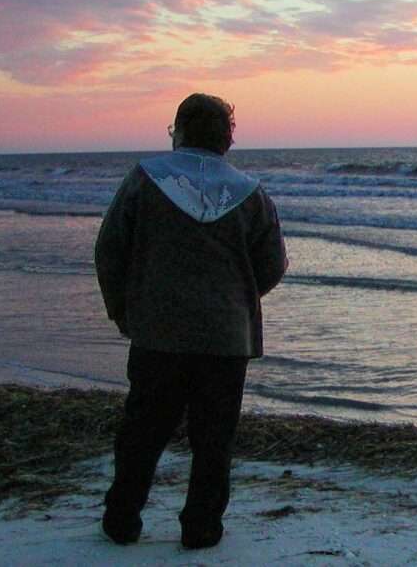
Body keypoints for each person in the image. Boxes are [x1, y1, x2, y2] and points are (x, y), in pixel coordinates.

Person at [94, 93, 287, 549]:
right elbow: (273, 263)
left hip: (158, 330)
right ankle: (200, 527)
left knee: (142, 431)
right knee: (214, 439)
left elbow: (110, 250)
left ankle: (122, 518)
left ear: (177, 130)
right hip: (225, 337)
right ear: (228, 138)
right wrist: (236, 299)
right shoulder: (249, 193)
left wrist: (123, 308)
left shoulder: (145, 180)